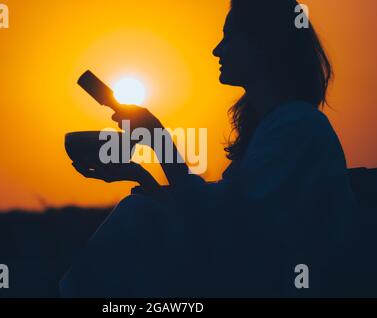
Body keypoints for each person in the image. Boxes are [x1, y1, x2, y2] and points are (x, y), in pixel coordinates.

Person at [60, 0, 358, 297]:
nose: (218, 49)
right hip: (248, 279)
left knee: (138, 217)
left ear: (262, 45)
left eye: (229, 37)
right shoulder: (278, 127)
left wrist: (159, 141)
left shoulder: (297, 126)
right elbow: (216, 219)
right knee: (138, 211)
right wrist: (138, 174)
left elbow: (223, 230)